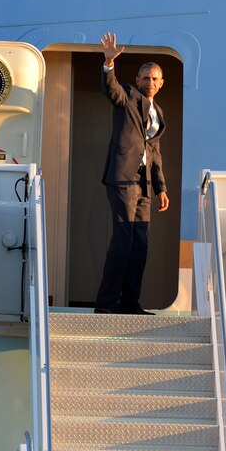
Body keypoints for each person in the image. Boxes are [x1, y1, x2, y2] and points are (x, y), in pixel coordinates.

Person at [94, 31, 170, 314]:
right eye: (145, 78)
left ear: (161, 84)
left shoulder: (158, 112)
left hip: (146, 185)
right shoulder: (126, 95)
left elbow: (155, 153)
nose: (149, 82)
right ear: (138, 81)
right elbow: (110, 88)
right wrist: (109, 64)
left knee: (140, 243)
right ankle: (106, 303)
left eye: (155, 79)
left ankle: (129, 302)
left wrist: (161, 187)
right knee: (123, 239)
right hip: (123, 178)